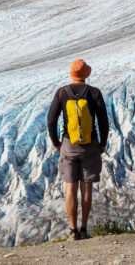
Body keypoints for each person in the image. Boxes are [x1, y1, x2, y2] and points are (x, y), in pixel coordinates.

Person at [46, 58, 110, 240]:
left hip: (68, 145)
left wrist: (56, 143)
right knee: (87, 189)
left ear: (71, 74)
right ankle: (83, 229)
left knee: (70, 189)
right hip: (90, 145)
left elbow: (51, 121)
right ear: (86, 74)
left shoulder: (61, 93)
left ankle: (73, 231)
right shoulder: (94, 92)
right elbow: (103, 121)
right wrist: (102, 143)